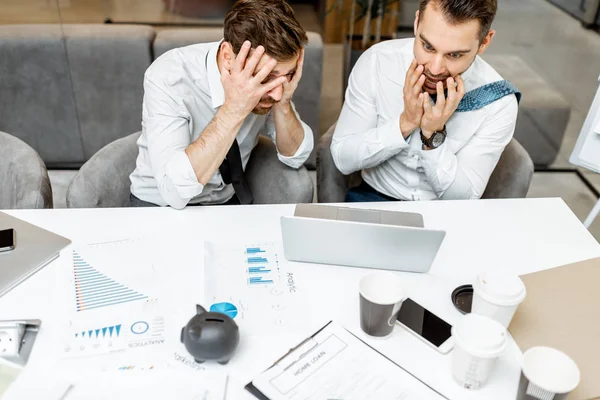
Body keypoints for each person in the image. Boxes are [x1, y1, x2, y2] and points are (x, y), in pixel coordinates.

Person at [129, 0, 314, 209]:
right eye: (266, 77)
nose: (277, 92)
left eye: (286, 76)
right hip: (158, 206)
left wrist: (284, 102)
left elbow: (296, 157)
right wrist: (234, 109)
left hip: (227, 204)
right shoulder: (170, 76)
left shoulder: (275, 90)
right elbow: (174, 193)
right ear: (228, 57)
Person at [331, 0, 520, 202]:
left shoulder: (498, 102)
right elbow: (343, 159)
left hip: (448, 212)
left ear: (484, 42)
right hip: (373, 198)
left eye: (454, 55)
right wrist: (405, 123)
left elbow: (465, 198)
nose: (435, 68)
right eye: (427, 46)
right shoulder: (377, 62)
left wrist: (432, 136)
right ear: (416, 22)